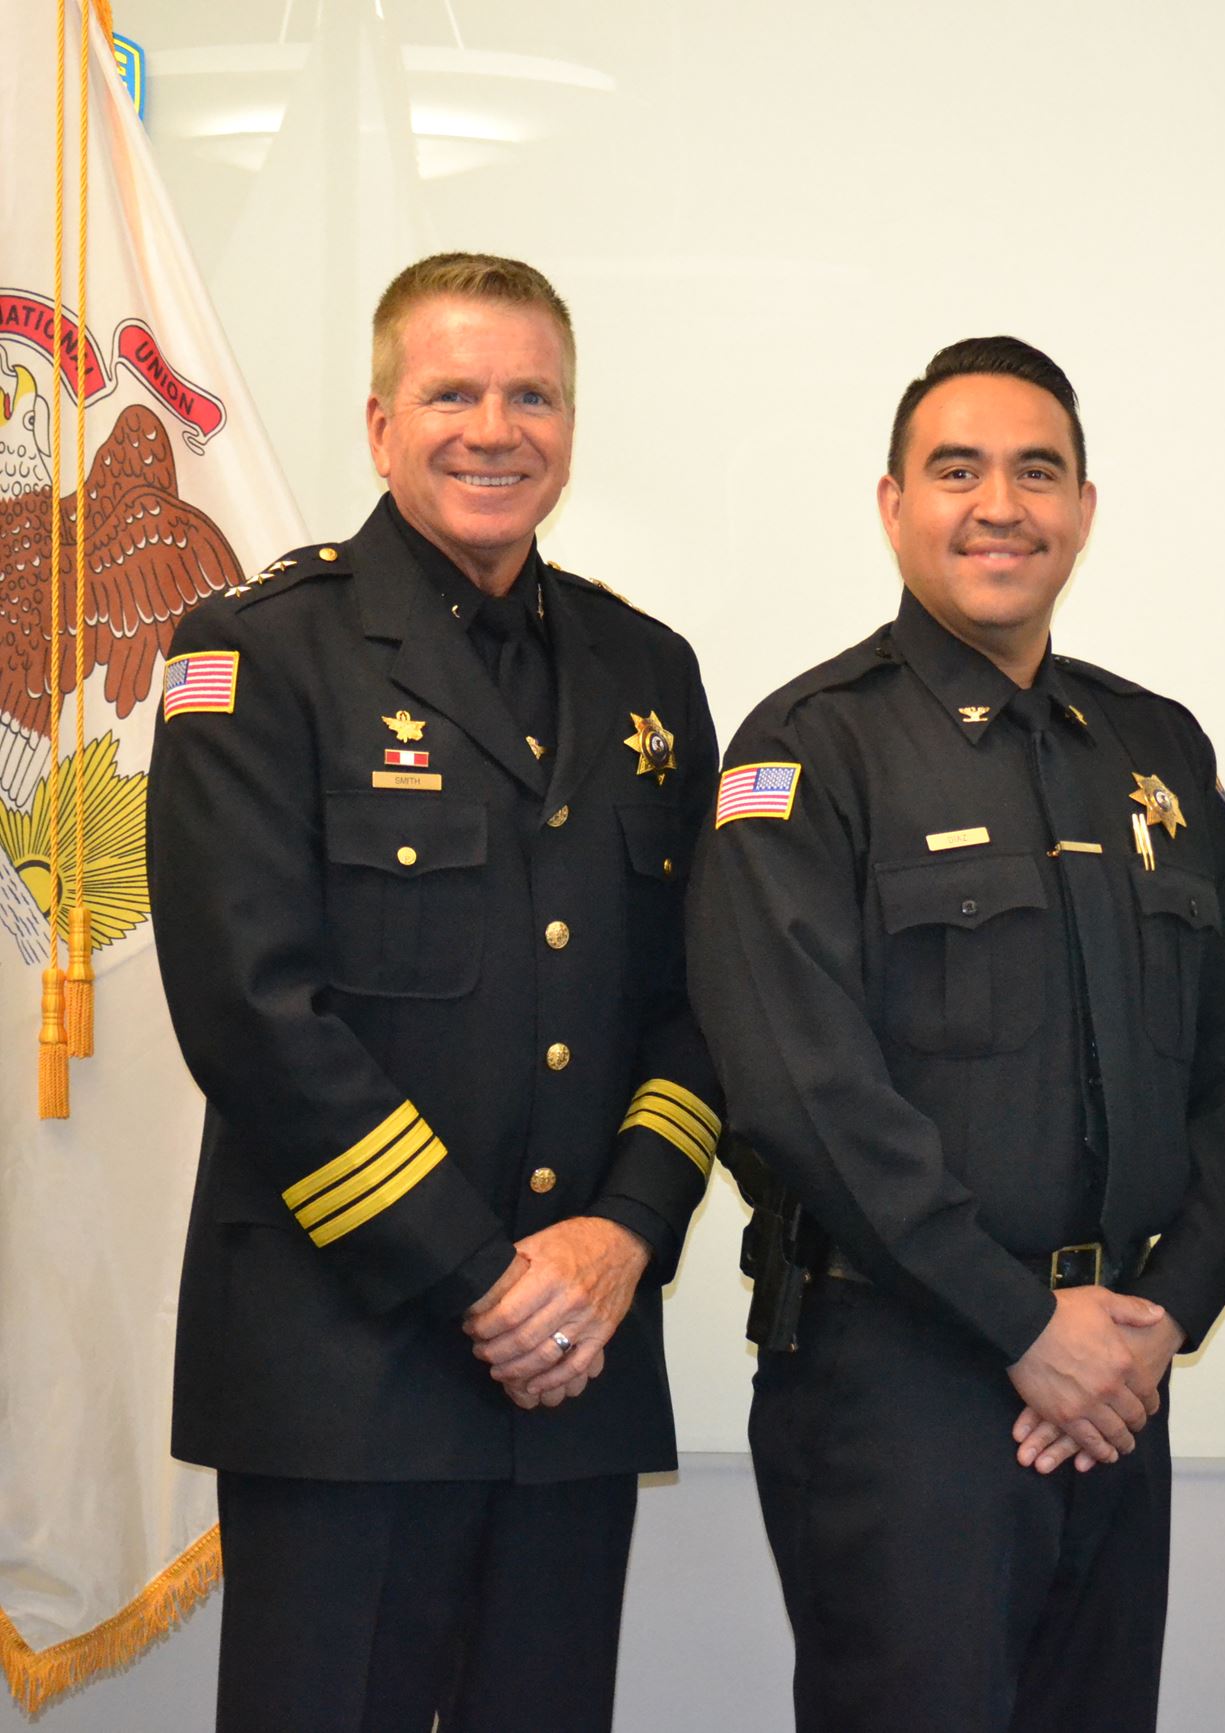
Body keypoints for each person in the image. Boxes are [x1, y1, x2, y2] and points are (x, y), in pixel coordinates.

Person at [685, 335, 1225, 1732]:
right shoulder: (807, 751)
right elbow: (799, 1090)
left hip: (1114, 1381)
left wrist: (1161, 1321)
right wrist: (1025, 1326)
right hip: (899, 1383)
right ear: (893, 503)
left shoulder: (1154, 751)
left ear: (1084, 508)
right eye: (956, 471)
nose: (1000, 505)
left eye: (1037, 471)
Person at [146, 252, 721, 1732]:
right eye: (452, 391)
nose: (495, 427)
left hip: (574, 1370)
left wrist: (621, 1238)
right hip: (347, 1368)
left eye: (532, 394)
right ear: (380, 422)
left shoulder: (649, 671)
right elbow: (252, 1017)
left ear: (572, 426)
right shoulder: (256, 654)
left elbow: (703, 1002)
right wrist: (487, 1277)